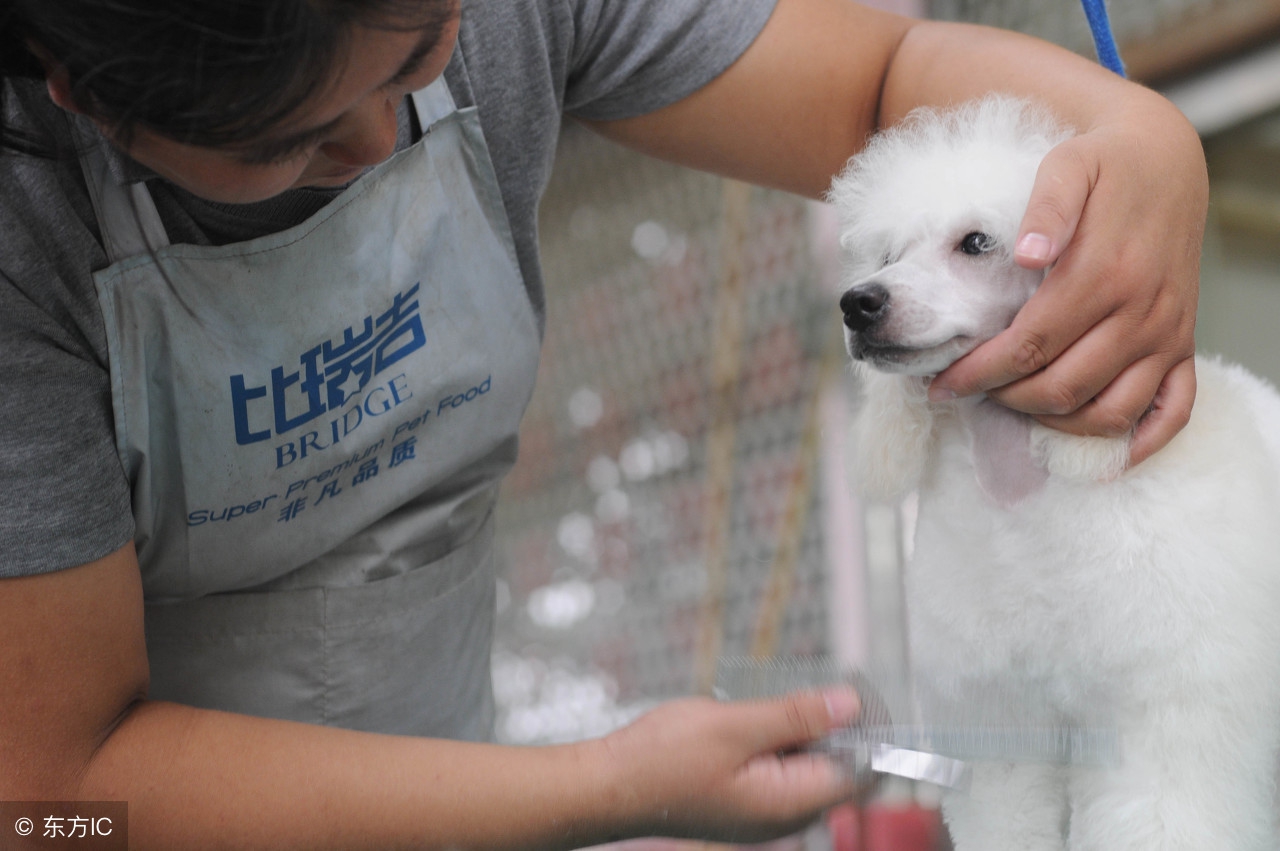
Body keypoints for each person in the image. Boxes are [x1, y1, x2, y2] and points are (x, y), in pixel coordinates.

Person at [0, 0, 1204, 847]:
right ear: (83, 94)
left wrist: (1140, 143)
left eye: (419, 50)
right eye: (285, 139)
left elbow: (875, 84)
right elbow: (50, 802)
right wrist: (591, 790)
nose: (373, 143)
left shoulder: (510, 14)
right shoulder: (24, 236)